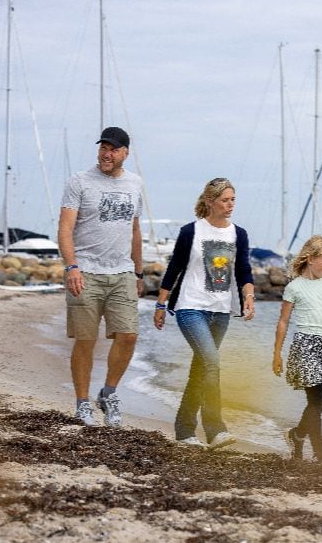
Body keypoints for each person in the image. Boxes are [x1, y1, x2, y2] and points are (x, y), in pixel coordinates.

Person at [153, 178, 255, 449]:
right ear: (210, 201)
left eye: (233, 199)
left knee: (201, 369)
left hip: (220, 311)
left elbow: (244, 269)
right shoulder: (191, 231)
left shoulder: (238, 234)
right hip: (190, 306)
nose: (230, 204)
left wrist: (249, 296)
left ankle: (184, 430)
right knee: (212, 363)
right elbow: (174, 267)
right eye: (225, 200)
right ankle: (215, 429)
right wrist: (161, 304)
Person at [58, 126, 144, 427]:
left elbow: (134, 230)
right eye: (103, 148)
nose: (107, 154)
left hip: (121, 272)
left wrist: (139, 270)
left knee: (129, 335)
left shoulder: (135, 184)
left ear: (125, 153)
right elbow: (65, 228)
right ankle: (82, 404)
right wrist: (71, 267)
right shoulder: (80, 182)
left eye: (114, 149)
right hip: (86, 272)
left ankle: (108, 392)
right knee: (86, 340)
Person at [273, 235, 322, 464]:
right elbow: (283, 322)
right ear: (310, 259)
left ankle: (297, 435)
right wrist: (276, 354)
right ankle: (320, 454)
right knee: (315, 401)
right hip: (305, 344)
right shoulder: (294, 287)